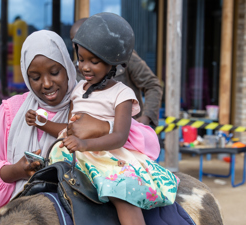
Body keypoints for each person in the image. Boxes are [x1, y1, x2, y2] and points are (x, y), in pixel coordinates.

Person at [28, 13, 178, 225]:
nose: (84, 67)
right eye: (81, 59)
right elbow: (70, 129)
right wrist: (43, 123)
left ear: (113, 63)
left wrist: (85, 143)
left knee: (123, 195)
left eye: (94, 61)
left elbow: (119, 137)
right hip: (74, 158)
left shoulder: (122, 94)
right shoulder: (78, 89)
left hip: (107, 157)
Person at [0, 30, 110, 225]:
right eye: (35, 77)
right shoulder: (10, 112)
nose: (46, 83)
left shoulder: (89, 104)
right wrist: (16, 171)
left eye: (55, 72)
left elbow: (124, 141)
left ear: (68, 67)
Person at [70, 18, 163, 127]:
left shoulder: (123, 57)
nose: (76, 45)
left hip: (127, 132)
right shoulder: (73, 69)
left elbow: (152, 85)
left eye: (95, 62)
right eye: (74, 41)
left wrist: (146, 117)